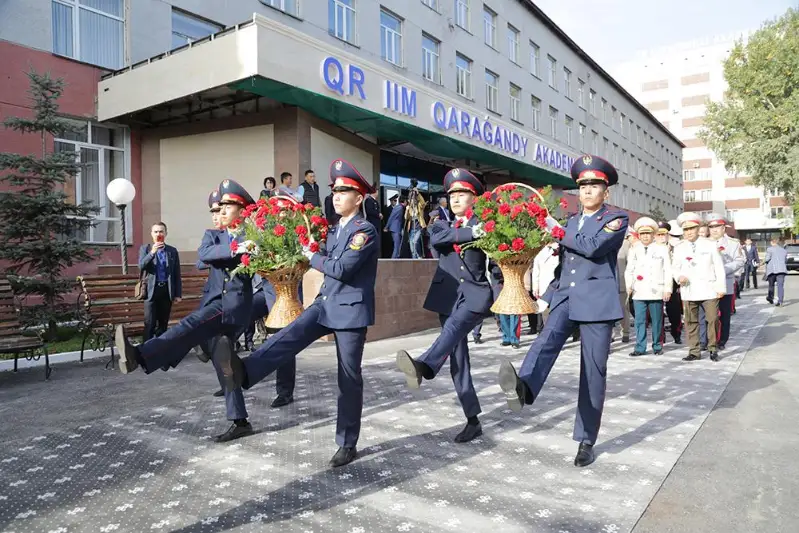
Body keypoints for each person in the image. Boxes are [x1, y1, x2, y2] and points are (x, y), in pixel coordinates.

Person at [221, 159, 379, 468]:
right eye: (334, 190)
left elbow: (342, 268)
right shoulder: (335, 230)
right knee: (290, 335)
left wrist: (312, 254)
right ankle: (247, 371)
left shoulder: (365, 231)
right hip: (325, 303)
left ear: (359, 198)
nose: (337, 195)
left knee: (348, 378)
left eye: (345, 191)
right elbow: (321, 260)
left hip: (350, 312)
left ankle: (347, 442)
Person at [497, 154, 628, 468]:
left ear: (605, 192)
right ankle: (524, 387)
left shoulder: (615, 219)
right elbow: (565, 263)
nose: (587, 190)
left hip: (596, 301)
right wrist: (549, 293)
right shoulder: (570, 222)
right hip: (566, 296)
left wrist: (557, 231)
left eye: (594, 185)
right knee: (545, 340)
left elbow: (593, 247)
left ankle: (586, 440)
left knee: (593, 372)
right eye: (582, 185)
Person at [115, 179, 256, 442]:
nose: (220, 214)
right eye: (217, 210)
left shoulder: (253, 236)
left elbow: (259, 260)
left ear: (241, 210)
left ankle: (143, 356)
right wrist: (235, 248)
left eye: (225, 208)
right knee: (224, 363)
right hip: (214, 305)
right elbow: (204, 255)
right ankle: (240, 421)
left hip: (231, 307)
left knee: (189, 327)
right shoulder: (214, 236)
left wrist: (244, 245)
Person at [396, 168, 490, 444]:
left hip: (474, 296)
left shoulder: (488, 224)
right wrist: (473, 232)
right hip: (447, 295)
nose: (457, 199)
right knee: (458, 360)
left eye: (463, 194)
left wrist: (499, 290)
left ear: (474, 198)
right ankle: (472, 419)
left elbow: (497, 261)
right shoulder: (440, 223)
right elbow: (438, 239)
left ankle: (424, 365)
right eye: (452, 195)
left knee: (453, 329)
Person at [671, 212, 726, 362]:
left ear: (698, 228)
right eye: (685, 230)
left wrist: (721, 287)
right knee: (691, 321)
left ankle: (713, 348)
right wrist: (678, 277)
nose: (688, 232)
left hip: (709, 289)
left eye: (691, 229)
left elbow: (719, 267)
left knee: (713, 319)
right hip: (689, 289)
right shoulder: (679, 247)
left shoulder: (710, 244)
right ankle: (694, 351)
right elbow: (674, 267)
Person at [625, 217, 672, 357]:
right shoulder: (634, 249)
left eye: (648, 233)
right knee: (639, 320)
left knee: (657, 320)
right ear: (639, 235)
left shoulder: (662, 249)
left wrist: (667, 289)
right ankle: (640, 346)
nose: (645, 236)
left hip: (656, 289)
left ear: (653, 235)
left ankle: (657, 345)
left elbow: (667, 270)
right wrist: (629, 285)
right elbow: (629, 270)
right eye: (642, 234)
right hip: (639, 290)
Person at [138, 222, 182, 341]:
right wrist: (152, 253)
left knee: (163, 324)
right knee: (149, 323)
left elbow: (177, 273)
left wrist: (178, 294)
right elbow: (141, 266)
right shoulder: (146, 249)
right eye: (156, 232)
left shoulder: (172, 251)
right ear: (152, 234)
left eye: (161, 231)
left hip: (166, 291)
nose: (159, 234)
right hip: (151, 290)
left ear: (166, 233)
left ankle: (160, 352)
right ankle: (145, 352)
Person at [706, 213, 744, 350]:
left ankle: (722, 340)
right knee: (709, 315)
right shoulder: (703, 243)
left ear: (724, 227)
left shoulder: (733, 244)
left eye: (717, 226)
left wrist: (723, 270)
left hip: (725, 283)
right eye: (711, 227)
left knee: (724, 315)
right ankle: (708, 340)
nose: (714, 230)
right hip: (707, 284)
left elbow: (740, 261)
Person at [664, 220, 684, 344]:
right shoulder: (657, 245)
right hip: (659, 280)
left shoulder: (681, 246)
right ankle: (664, 335)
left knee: (674, 310)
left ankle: (676, 333)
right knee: (660, 311)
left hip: (674, 280)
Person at [613, 230, 634, 343]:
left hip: (622, 281)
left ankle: (625, 332)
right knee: (607, 309)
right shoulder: (605, 241)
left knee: (623, 308)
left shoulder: (625, 244)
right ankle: (611, 334)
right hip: (607, 282)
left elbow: (630, 264)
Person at [405, 179, 427, 259]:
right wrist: (407, 210)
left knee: (415, 242)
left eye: (413, 199)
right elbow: (406, 218)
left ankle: (419, 257)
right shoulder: (409, 208)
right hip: (411, 229)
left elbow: (423, 204)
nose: (412, 201)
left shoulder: (419, 206)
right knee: (411, 246)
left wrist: (417, 194)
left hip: (419, 227)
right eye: (411, 199)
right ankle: (414, 259)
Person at [765, 238, 788, 306]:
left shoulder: (769, 249)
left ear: (772, 243)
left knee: (771, 285)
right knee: (780, 286)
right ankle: (780, 301)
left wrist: (763, 262)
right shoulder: (784, 250)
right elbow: (785, 260)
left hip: (772, 270)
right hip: (781, 270)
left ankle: (771, 298)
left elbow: (767, 259)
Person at [385, 193, 404, 258]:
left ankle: (395, 260)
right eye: (394, 200)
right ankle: (393, 261)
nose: (395, 202)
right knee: (396, 247)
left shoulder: (398, 207)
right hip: (394, 229)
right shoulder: (397, 208)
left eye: (396, 200)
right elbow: (390, 217)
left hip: (395, 228)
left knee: (397, 246)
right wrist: (386, 227)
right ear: (391, 201)